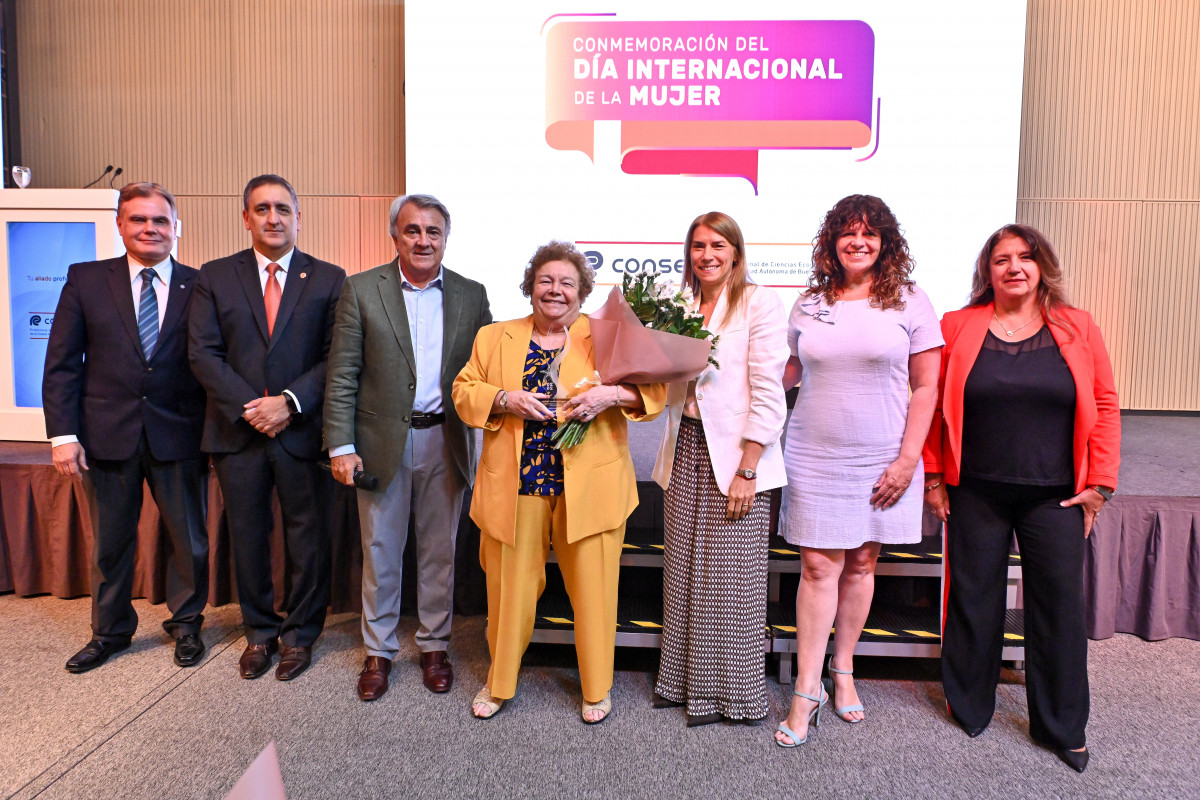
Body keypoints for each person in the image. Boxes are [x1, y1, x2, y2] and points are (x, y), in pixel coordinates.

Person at [923, 224, 1119, 773]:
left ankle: (1061, 726)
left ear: (1042, 267)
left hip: (1057, 496)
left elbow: (1104, 403)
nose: (1014, 267)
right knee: (973, 600)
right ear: (987, 271)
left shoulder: (1078, 326)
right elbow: (935, 406)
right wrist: (934, 476)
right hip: (974, 489)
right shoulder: (957, 325)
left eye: (1025, 257)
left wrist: (1101, 484)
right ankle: (969, 705)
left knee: (1058, 609)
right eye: (1002, 259)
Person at [452, 241, 666, 723]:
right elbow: (464, 391)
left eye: (567, 283)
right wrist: (504, 399)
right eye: (545, 280)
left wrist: (610, 395)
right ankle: (499, 682)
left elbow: (653, 395)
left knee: (594, 591)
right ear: (530, 286)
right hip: (516, 484)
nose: (555, 290)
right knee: (508, 591)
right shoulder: (494, 336)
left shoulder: (607, 335)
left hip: (590, 488)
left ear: (582, 291)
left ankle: (596, 688)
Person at [775, 195, 943, 747]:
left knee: (863, 563)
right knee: (817, 567)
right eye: (848, 232)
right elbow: (788, 371)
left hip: (882, 456)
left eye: (870, 233)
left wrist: (907, 460)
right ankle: (807, 688)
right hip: (814, 453)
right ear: (832, 241)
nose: (858, 242)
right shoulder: (809, 302)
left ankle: (842, 669)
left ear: (885, 242)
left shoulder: (911, 300)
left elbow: (927, 388)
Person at [324, 194, 492, 701]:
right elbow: (342, 375)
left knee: (441, 551)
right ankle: (378, 652)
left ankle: (435, 647)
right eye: (412, 230)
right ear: (394, 235)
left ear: (446, 237)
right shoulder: (361, 290)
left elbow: (489, 368)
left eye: (433, 231)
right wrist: (340, 446)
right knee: (380, 550)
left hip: (447, 439)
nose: (423, 240)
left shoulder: (471, 294)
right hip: (380, 444)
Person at [43, 182, 209, 672]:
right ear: (120, 225)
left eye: (160, 220)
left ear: (176, 228)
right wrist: (63, 435)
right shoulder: (86, 279)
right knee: (110, 542)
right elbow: (62, 363)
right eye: (138, 219)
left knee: (189, 540)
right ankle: (110, 632)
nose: (149, 228)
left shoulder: (201, 285)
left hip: (180, 433)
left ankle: (186, 624)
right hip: (106, 435)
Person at [189, 174, 345, 682]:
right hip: (238, 432)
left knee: (307, 539)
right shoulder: (215, 276)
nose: (273, 218)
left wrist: (289, 404)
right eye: (261, 209)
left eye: (282, 208)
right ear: (246, 218)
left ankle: (300, 635)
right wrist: (254, 409)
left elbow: (337, 357)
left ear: (298, 216)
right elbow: (204, 354)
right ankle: (258, 631)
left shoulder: (329, 279)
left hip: (301, 431)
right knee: (248, 537)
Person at [650, 212, 787, 725]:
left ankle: (732, 696)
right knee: (683, 571)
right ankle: (681, 683)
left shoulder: (758, 302)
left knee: (729, 581)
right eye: (698, 245)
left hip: (737, 455)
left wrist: (748, 468)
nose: (706, 255)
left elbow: (769, 392)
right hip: (685, 446)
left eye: (717, 245)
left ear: (735, 252)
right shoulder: (677, 304)